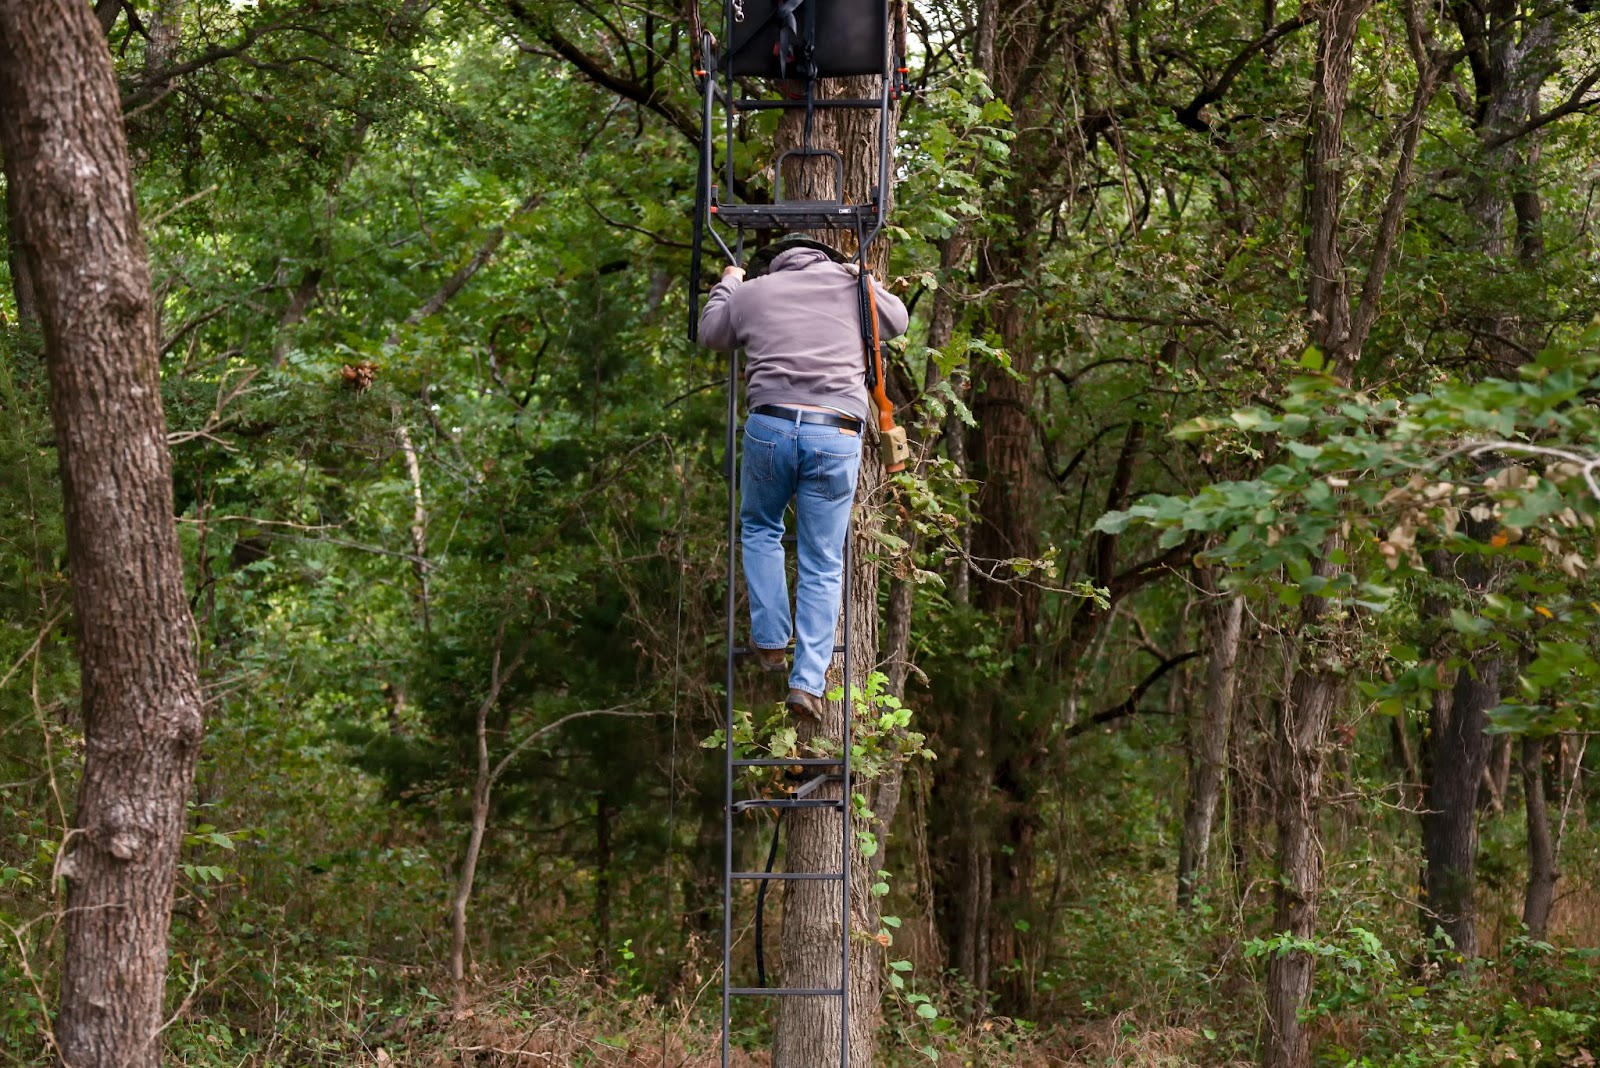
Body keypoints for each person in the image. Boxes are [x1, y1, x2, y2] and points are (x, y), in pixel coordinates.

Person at [698, 234, 908, 719]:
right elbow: (897, 321)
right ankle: (807, 683)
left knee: (759, 528)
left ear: (778, 264)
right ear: (827, 260)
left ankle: (771, 640)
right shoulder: (852, 286)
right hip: (835, 432)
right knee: (821, 560)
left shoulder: (756, 291)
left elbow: (711, 333)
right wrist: (864, 278)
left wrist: (729, 284)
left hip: (770, 424)